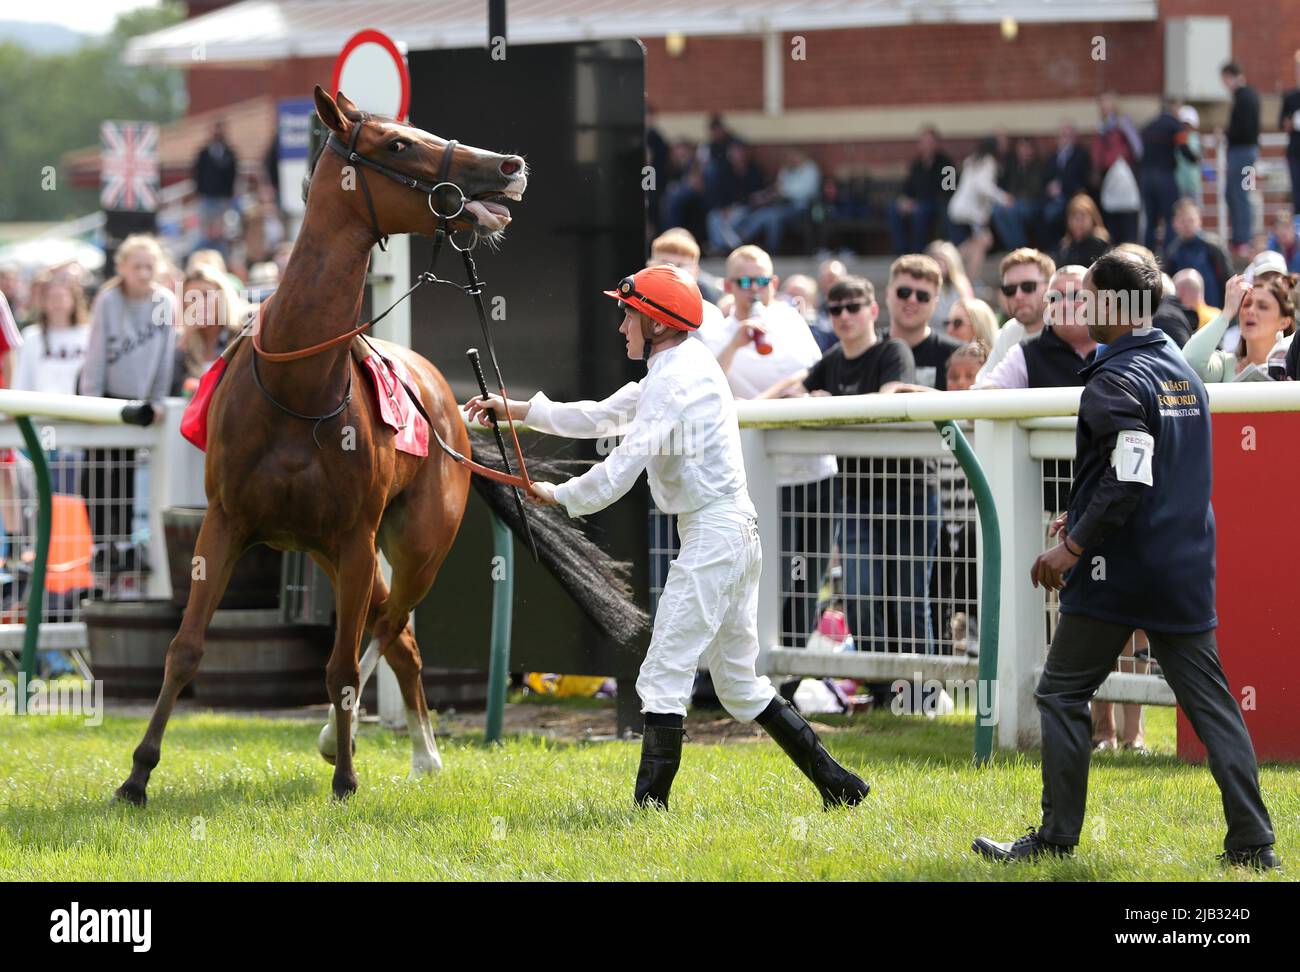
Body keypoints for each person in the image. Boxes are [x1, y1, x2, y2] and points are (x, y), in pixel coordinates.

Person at [463, 265, 870, 811]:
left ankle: (649, 810)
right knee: (737, 685)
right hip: (728, 532)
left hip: (715, 537)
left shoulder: (675, 378)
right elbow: (603, 415)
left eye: (627, 315)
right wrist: (517, 412)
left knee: (662, 673)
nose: (621, 325)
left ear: (655, 322)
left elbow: (623, 464)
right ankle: (839, 785)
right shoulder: (678, 366)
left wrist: (560, 495)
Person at [973, 248, 1278, 869]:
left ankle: (1056, 838)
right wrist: (1079, 512)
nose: (1080, 306)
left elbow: (1129, 481)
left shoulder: (1114, 379)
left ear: (1116, 305)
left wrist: (1073, 546)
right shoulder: (1178, 369)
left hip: (1119, 570)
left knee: (1060, 692)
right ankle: (1254, 845)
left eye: (1088, 296)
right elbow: (1141, 469)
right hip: (1183, 568)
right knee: (1213, 706)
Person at [757, 276, 917, 650]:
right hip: (856, 497)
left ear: (872, 310)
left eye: (853, 307)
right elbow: (781, 394)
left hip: (908, 492)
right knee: (859, 597)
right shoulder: (829, 361)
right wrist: (799, 391)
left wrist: (825, 405)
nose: (844, 316)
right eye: (835, 309)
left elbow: (887, 402)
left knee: (908, 601)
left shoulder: (893, 352)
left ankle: (915, 695)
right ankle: (878, 689)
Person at [80, 235, 176, 575]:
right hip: (105, 396)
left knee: (125, 471)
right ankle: (101, 544)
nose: (143, 272)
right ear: (122, 267)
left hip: (140, 400)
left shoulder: (165, 301)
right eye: (136, 266)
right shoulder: (108, 300)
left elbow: (165, 358)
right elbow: (94, 355)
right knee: (96, 472)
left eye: (149, 266)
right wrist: (91, 402)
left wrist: (157, 399)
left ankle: (123, 543)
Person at [978, 265, 1094, 389]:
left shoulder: (1114, 346)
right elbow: (983, 395)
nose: (1064, 304)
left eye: (1076, 295)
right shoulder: (1025, 355)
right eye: (1055, 297)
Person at [1182, 272, 1296, 382]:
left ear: (1284, 322)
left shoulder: (1293, 370)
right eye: (1246, 304)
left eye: (1263, 306)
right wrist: (1227, 313)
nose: (1250, 311)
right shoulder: (1225, 365)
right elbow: (1189, 362)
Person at [884, 253, 963, 389]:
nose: (912, 300)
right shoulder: (867, 350)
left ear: (935, 304)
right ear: (888, 294)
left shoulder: (957, 355)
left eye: (922, 296)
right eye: (904, 292)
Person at [976, 248, 1056, 382]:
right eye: (1010, 290)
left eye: (1028, 286)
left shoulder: (1068, 329)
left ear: (1051, 288)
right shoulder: (1009, 331)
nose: (1018, 296)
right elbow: (983, 386)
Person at [171, 264, 245, 397]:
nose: (200, 304)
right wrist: (185, 338)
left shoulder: (241, 334)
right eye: (193, 298)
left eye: (206, 295)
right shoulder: (182, 341)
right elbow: (170, 386)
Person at [947, 137, 1007, 282]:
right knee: (983, 242)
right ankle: (971, 281)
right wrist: (1003, 197)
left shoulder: (973, 160)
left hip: (960, 209)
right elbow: (983, 187)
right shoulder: (988, 161)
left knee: (979, 242)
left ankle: (948, 260)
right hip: (969, 212)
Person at [888, 127, 955, 254]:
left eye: (930, 142)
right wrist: (905, 202)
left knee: (920, 212)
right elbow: (907, 188)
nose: (927, 146)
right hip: (915, 203)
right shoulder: (916, 164)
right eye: (924, 142)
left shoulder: (947, 164)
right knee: (894, 210)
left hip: (935, 204)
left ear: (936, 143)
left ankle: (918, 252)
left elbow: (949, 190)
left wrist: (919, 202)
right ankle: (901, 252)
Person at [1139, 99, 1192, 252]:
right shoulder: (1175, 126)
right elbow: (1184, 149)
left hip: (1146, 177)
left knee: (1151, 221)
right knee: (1171, 218)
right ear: (1174, 108)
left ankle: (1147, 256)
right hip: (1165, 176)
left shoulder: (1148, 126)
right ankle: (1169, 254)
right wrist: (1196, 158)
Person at [1221, 62, 1261, 256]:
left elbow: (1243, 129)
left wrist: (1226, 135)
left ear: (1231, 76)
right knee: (1236, 194)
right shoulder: (1247, 96)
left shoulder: (1244, 97)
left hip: (1242, 153)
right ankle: (1240, 238)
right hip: (1245, 152)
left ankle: (1243, 239)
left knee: (1240, 195)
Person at [1092, 93, 1143, 243]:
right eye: (1101, 103)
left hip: (1124, 175)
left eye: (1107, 102)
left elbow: (1138, 149)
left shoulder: (1123, 123)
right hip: (1107, 176)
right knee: (1110, 222)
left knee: (1127, 222)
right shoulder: (1100, 127)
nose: (1104, 106)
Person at [1164, 198, 1231, 309]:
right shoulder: (1172, 252)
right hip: (1184, 314)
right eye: (1182, 221)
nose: (1187, 225)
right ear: (1174, 223)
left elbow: (1227, 279)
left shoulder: (1212, 247)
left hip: (1213, 312)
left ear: (1199, 220)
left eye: (1190, 220)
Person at [1041, 123, 1092, 242]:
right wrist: (1049, 188)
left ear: (1073, 138)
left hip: (1071, 196)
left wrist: (1062, 187)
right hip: (1051, 198)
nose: (1064, 139)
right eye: (1061, 135)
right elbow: (1045, 179)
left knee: (1056, 214)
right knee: (1038, 211)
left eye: (1067, 136)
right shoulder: (1052, 157)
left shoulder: (1081, 155)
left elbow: (1083, 181)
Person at [991, 137, 1044, 251]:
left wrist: (1014, 198)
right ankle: (1012, 246)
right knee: (996, 209)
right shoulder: (1013, 164)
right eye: (1021, 148)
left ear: (1032, 150)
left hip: (1031, 203)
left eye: (1026, 148)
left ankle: (1020, 247)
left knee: (1012, 211)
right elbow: (1006, 185)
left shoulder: (1038, 165)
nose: (1023, 151)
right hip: (1013, 200)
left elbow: (1034, 190)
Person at [193, 122, 239, 239]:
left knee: (222, 230)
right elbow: (197, 173)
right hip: (207, 196)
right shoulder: (204, 153)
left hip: (223, 198)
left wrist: (230, 194)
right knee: (206, 230)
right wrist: (200, 191)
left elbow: (233, 174)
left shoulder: (229, 153)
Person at [1054, 193, 1111, 268]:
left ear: (1092, 218)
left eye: (1082, 216)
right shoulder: (1066, 245)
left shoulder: (1099, 243)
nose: (1077, 222)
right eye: (1074, 216)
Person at [1281, 52, 1300, 211]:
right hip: (1295, 151)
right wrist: (1288, 123)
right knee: (1297, 194)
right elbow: (1281, 122)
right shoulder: (1291, 97)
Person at [1174, 105, 1204, 205]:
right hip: (1179, 181)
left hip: (1193, 182)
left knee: (1195, 209)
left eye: (1188, 124)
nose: (1186, 127)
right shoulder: (1177, 137)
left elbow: (1199, 156)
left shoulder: (1196, 138)